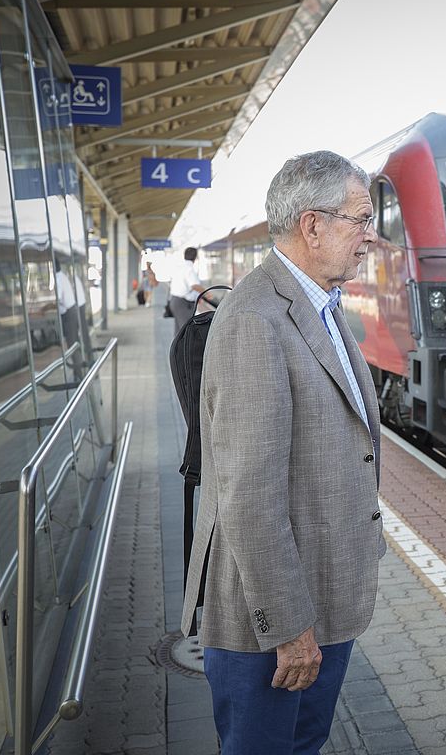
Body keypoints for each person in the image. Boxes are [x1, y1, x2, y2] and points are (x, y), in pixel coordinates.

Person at [180, 151, 387, 754]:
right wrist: (290, 627)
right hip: (269, 622)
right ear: (313, 224)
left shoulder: (320, 304)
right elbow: (249, 493)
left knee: (303, 745)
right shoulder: (255, 319)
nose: (369, 236)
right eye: (360, 219)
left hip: (325, 591)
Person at [169, 246, 206, 331]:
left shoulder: (180, 267)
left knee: (179, 330)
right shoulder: (189, 269)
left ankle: (177, 344)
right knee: (186, 330)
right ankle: (183, 345)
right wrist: (207, 293)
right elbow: (194, 285)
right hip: (183, 303)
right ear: (195, 257)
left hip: (175, 300)